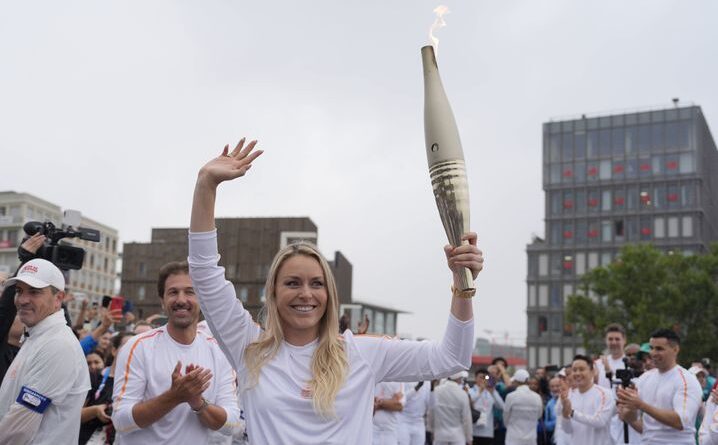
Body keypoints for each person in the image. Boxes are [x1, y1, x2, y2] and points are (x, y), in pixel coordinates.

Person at [188, 138, 483, 444]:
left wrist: (462, 285)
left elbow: (453, 357)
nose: (306, 294)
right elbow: (204, 273)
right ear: (272, 293)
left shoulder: (362, 353)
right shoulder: (248, 347)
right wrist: (206, 186)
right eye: (292, 283)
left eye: (317, 284)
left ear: (329, 294)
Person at [112, 261, 241, 444]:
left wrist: (197, 402)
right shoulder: (137, 347)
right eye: (173, 292)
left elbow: (231, 425)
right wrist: (174, 396)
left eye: (190, 291)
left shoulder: (220, 352)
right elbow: (121, 421)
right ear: (162, 302)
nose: (181, 300)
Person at [0, 258, 90, 444]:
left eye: (34, 292)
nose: (23, 300)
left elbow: (18, 428)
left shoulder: (58, 345)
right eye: (19, 291)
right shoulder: (39, 337)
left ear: (58, 299)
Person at [616, 328, 702, 444]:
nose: (653, 353)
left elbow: (680, 422)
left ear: (675, 349)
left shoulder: (687, 380)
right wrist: (628, 405)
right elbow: (633, 420)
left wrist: (641, 405)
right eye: (651, 348)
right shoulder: (644, 378)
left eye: (659, 349)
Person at [556, 355, 614, 445]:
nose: (577, 373)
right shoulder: (569, 396)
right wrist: (565, 415)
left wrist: (571, 413)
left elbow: (600, 421)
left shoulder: (605, 394)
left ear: (592, 372)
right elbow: (567, 430)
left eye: (582, 369)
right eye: (574, 370)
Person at [429, 371, 472, 445]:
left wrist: (432, 430)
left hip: (440, 435)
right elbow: (466, 419)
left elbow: (431, 412)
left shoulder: (436, 390)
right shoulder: (463, 394)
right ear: (459, 378)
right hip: (457, 436)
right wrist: (469, 438)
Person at [503, 369, 542, 445]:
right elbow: (539, 415)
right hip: (531, 439)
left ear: (516, 381)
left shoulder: (511, 396)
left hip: (513, 438)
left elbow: (506, 417)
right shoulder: (537, 397)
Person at [469, 368, 504, 445]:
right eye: (481, 377)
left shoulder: (491, 392)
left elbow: (502, 406)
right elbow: (469, 403)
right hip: (473, 431)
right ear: (475, 378)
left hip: (487, 432)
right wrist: (480, 391)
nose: (483, 380)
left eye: (485, 377)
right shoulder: (470, 391)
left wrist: (493, 392)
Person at [397, 381, 431, 445]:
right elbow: (401, 400)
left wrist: (432, 390)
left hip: (419, 422)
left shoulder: (427, 381)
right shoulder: (405, 377)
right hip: (403, 421)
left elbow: (430, 405)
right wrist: (416, 388)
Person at [537, 377, 560, 445]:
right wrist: (558, 422)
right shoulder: (549, 404)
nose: (555, 389)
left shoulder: (569, 399)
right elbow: (547, 425)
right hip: (554, 438)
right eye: (552, 386)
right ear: (549, 388)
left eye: (557, 386)